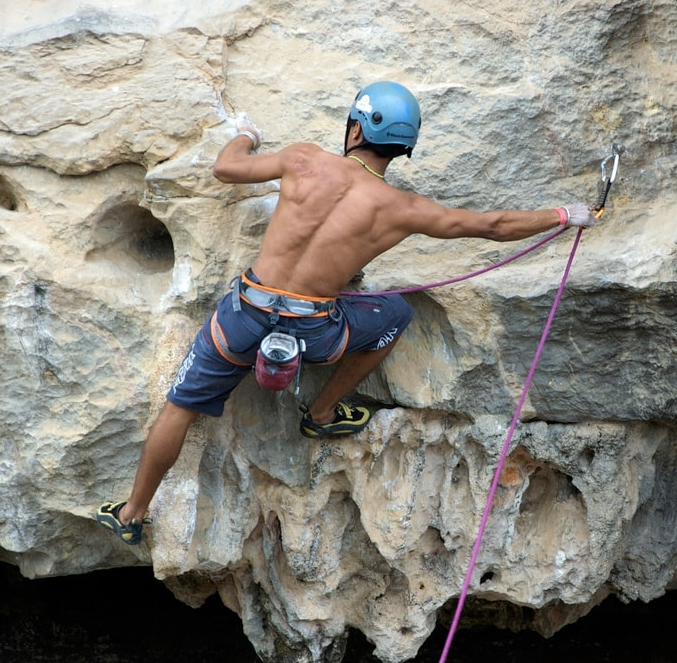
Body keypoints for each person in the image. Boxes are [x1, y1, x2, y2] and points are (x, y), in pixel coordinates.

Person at [96, 81, 596, 544]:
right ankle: (321, 412)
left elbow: (226, 168)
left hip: (242, 320)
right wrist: (562, 215)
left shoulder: (302, 160)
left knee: (179, 407)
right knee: (395, 314)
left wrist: (245, 133)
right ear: (402, 146)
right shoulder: (404, 208)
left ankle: (133, 514)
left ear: (356, 127)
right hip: (318, 335)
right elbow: (493, 225)